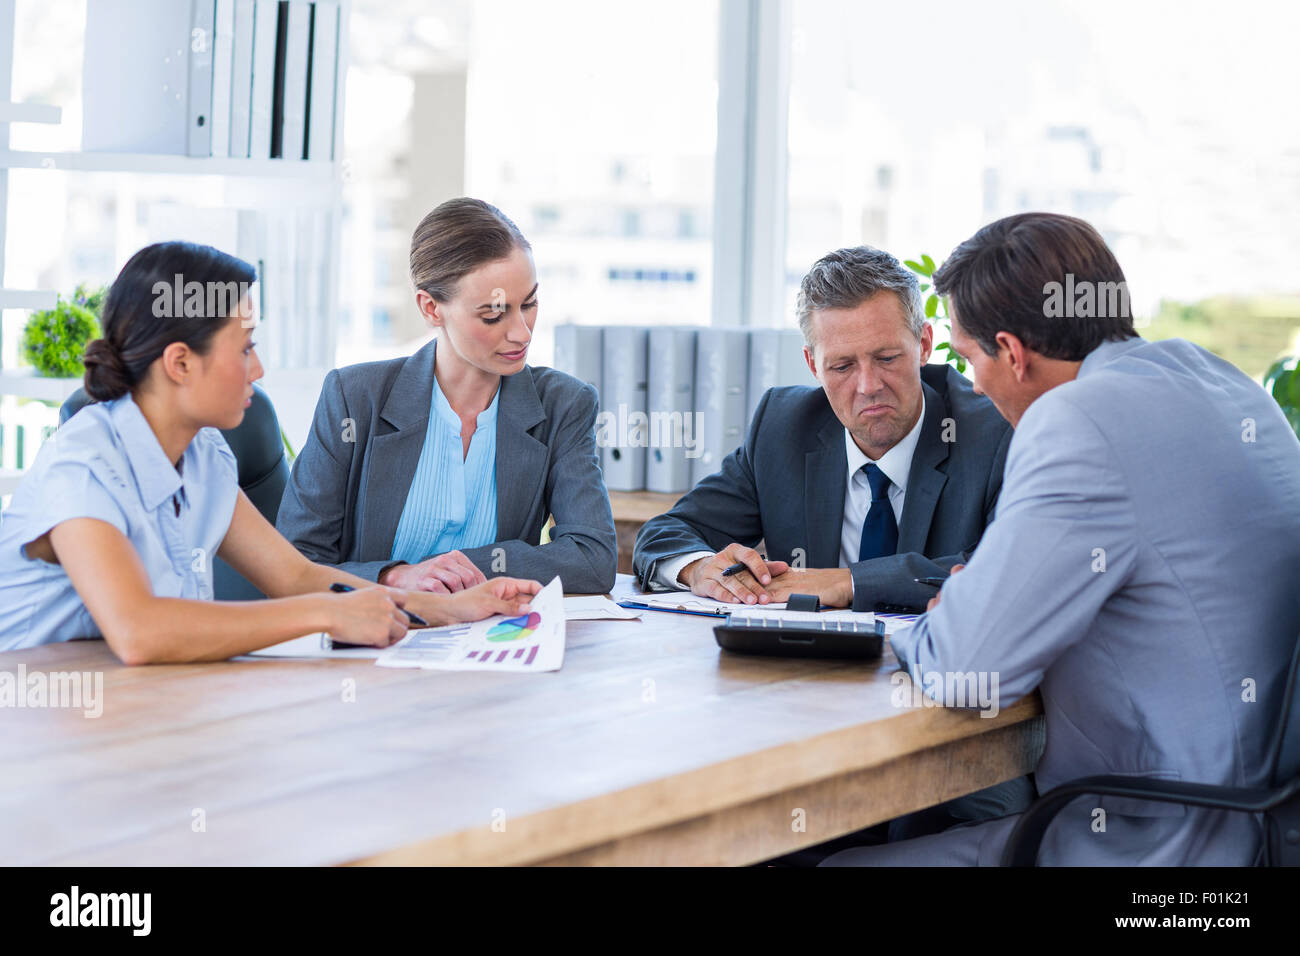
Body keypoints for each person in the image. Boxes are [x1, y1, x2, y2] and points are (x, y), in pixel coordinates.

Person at [823, 212, 1300, 866]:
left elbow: (969, 670)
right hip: (1266, 825)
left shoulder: (1079, 421)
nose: (971, 386)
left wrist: (950, 614)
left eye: (967, 360)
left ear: (1012, 353)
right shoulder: (1223, 383)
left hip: (1161, 846)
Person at [0, 242, 540, 662]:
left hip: (131, 705)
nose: (257, 370)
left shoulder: (203, 453)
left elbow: (297, 577)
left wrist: (448, 609)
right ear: (180, 363)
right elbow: (139, 632)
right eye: (245, 347)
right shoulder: (84, 466)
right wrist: (326, 615)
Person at [634, 245, 1012, 613]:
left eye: (886, 358)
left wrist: (848, 582)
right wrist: (699, 568)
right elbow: (667, 533)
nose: (868, 385)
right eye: (842, 366)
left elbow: (1005, 571)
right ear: (812, 364)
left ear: (924, 345)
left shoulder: (994, 432)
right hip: (804, 669)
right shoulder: (783, 427)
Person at [277, 198, 616, 595]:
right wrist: (394, 577)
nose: (522, 333)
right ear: (431, 308)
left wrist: (462, 570)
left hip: (491, 640)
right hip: (370, 640)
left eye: (530, 304)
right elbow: (293, 563)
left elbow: (592, 559)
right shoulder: (355, 399)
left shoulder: (563, 405)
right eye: (493, 314)